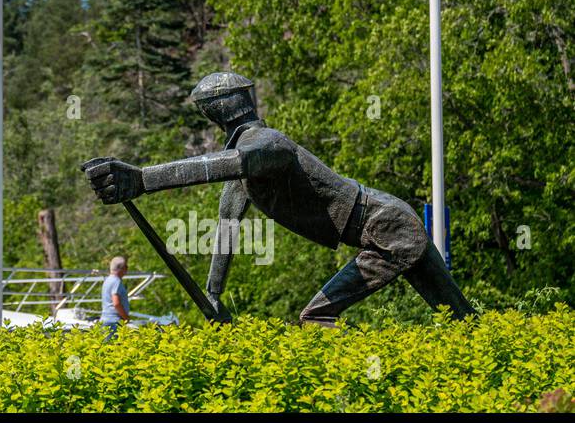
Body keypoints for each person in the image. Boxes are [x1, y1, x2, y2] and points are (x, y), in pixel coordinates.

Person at [84, 72, 475, 326]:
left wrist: (142, 179)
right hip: (387, 227)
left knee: (318, 317)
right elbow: (226, 229)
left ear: (215, 113)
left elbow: (223, 164)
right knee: (464, 322)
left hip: (386, 227)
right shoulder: (245, 172)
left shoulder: (267, 145)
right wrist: (214, 295)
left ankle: (371, 380)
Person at [99, 256, 130, 337]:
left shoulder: (108, 280)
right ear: (121, 268)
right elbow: (116, 303)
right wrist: (126, 318)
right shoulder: (116, 281)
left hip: (106, 320)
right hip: (114, 322)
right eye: (126, 266)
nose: (127, 269)